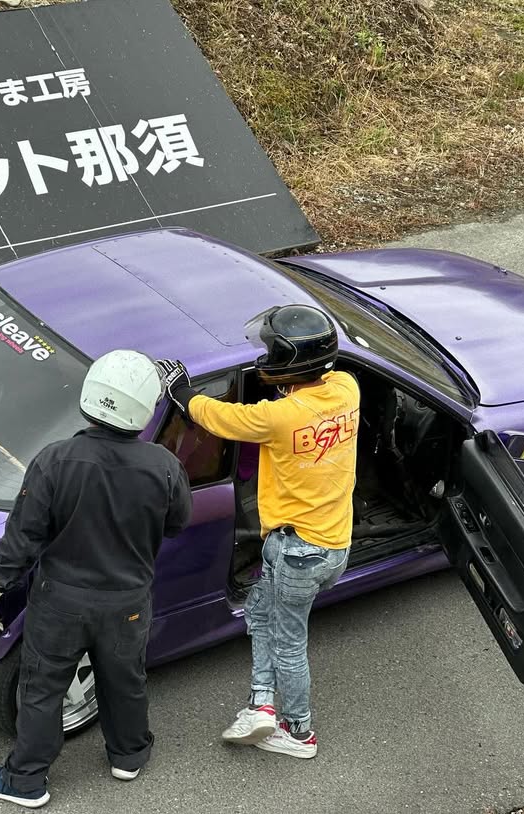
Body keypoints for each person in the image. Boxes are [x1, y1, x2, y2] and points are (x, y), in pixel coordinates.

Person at [0, 349, 193, 808]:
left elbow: (23, 536)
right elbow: (178, 523)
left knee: (43, 689)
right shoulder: (164, 466)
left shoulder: (55, 460)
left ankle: (26, 781)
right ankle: (128, 756)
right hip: (126, 602)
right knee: (124, 680)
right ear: (143, 407)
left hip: (59, 603)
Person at [156, 303, 359, 760]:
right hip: (333, 543)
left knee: (289, 645)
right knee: (261, 613)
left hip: (296, 552)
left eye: (272, 352)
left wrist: (181, 390)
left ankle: (299, 734)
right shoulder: (348, 388)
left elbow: (220, 419)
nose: (265, 358)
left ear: (291, 364)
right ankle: (261, 705)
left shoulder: (278, 418)